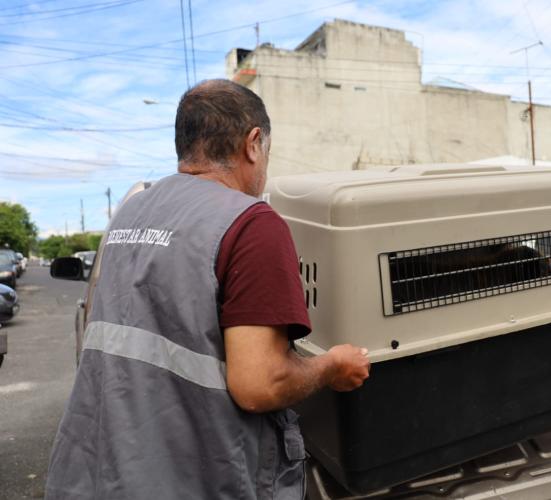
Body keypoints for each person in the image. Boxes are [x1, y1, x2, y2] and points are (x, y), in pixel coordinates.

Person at [45, 79, 371, 499]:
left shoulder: (131, 214)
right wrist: (332, 366)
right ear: (253, 143)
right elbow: (260, 385)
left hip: (99, 473)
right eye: (267, 153)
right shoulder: (251, 222)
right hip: (201, 479)